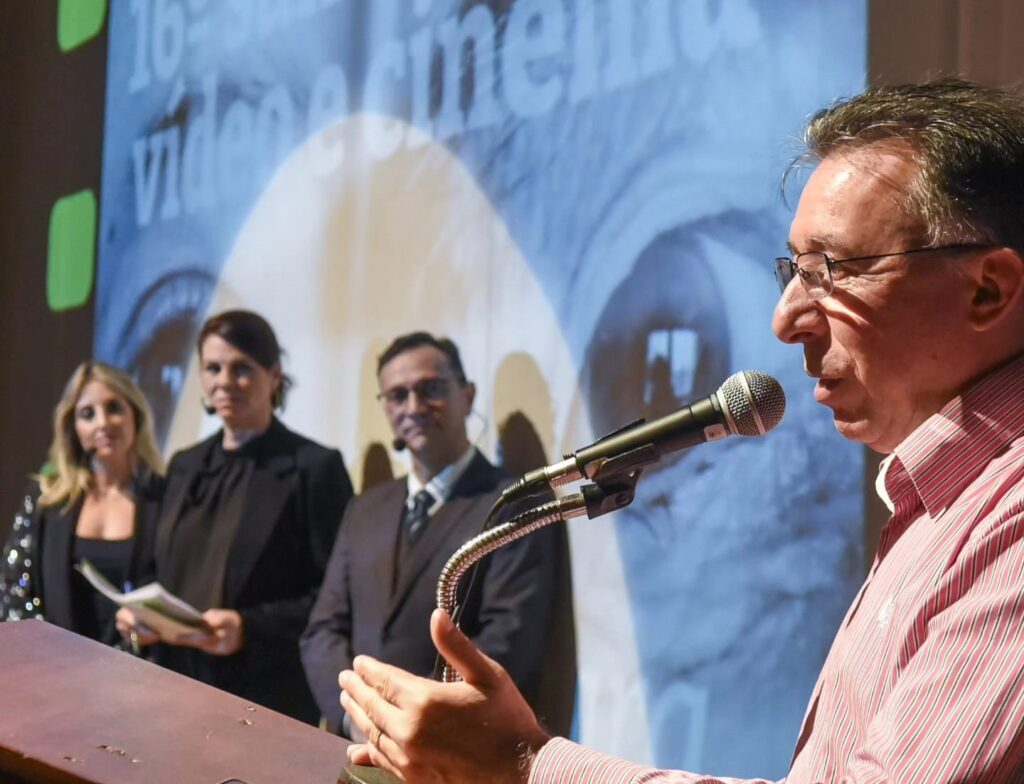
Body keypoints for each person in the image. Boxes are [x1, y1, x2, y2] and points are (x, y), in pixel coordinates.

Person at [338, 78, 1024, 783]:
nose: (784, 319)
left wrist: (524, 764)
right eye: (794, 270)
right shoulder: (938, 504)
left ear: (986, 290)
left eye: (832, 270)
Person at [300, 331, 575, 737]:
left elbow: (509, 639)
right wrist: (355, 715)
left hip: (454, 750)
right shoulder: (365, 508)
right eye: (397, 395)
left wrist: (411, 720)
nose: (413, 407)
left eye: (431, 389)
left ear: (467, 394)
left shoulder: (513, 502)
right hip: (356, 743)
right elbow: (323, 630)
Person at [118, 309, 353, 722]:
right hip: (170, 684)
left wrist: (248, 628)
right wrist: (140, 614)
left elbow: (332, 599)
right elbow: (154, 569)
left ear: (274, 376)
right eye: (213, 368)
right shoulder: (184, 465)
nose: (224, 381)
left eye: (241, 368)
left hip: (262, 695)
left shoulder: (314, 468)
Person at [0, 361, 164, 647]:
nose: (103, 423)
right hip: (55, 666)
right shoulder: (47, 498)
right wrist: (48, 651)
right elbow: (11, 589)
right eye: (87, 414)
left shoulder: (164, 497)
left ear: (135, 415)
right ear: (73, 427)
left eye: (114, 408)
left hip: (138, 670)